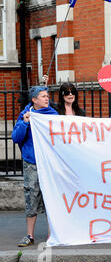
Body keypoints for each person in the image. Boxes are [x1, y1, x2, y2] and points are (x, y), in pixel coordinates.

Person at [12, 86, 58, 247]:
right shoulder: (26, 114)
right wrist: (25, 123)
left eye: (47, 96)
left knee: (50, 197)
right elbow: (16, 138)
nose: (47, 99)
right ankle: (29, 235)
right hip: (32, 163)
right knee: (31, 197)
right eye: (43, 96)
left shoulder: (52, 115)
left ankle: (51, 236)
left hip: (49, 163)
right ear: (34, 100)